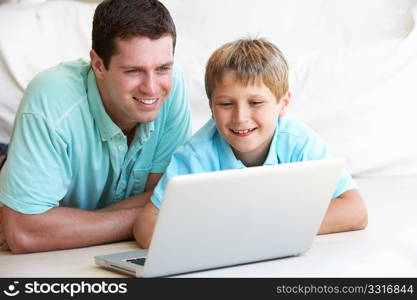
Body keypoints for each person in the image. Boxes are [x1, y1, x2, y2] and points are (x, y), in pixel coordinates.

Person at [133, 38, 368, 249]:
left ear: (283, 104)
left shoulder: (299, 143)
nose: (240, 117)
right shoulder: (197, 155)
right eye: (226, 104)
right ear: (211, 108)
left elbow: (355, 211)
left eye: (255, 102)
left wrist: (264, 229)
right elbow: (146, 225)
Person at [0, 0, 191, 253]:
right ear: (99, 66)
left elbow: (169, 198)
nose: (152, 88)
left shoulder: (173, 88)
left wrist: (64, 224)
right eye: (134, 71)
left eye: (163, 68)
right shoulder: (51, 97)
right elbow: (24, 233)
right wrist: (145, 218)